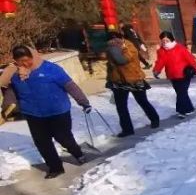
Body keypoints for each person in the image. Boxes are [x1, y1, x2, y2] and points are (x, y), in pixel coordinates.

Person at [6, 45, 91, 179]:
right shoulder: (15, 75)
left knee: (63, 137)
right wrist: (7, 107)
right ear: (16, 61)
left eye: (27, 60)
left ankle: (78, 154)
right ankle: (55, 168)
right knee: (42, 142)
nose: (25, 64)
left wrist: (83, 102)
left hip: (58, 111)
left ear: (32, 57)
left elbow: (70, 85)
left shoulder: (51, 69)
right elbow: (11, 92)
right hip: (33, 113)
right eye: (21, 62)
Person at [106, 31, 159, 137]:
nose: (114, 42)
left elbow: (122, 60)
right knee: (121, 107)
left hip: (134, 79)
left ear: (122, 39)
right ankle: (127, 129)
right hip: (119, 81)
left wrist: (122, 48)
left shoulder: (130, 47)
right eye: (112, 40)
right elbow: (112, 65)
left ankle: (155, 119)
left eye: (117, 40)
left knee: (142, 101)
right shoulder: (110, 48)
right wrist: (111, 79)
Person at [153, 31, 196, 117]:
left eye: (166, 40)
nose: (165, 43)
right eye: (163, 41)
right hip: (172, 75)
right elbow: (160, 62)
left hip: (184, 74)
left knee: (181, 93)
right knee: (181, 93)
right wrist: (156, 71)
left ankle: (181, 111)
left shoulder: (180, 48)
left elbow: (190, 59)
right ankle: (189, 108)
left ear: (171, 39)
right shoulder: (161, 51)